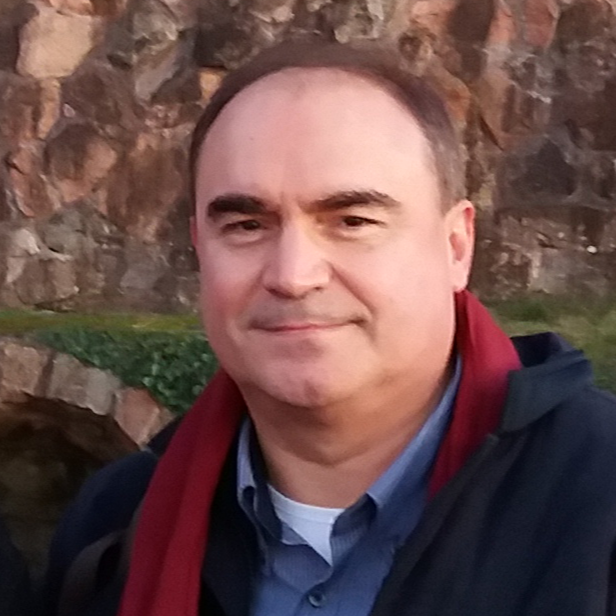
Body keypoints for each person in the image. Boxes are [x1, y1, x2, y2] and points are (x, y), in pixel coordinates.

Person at [45, 39, 616, 616]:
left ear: (455, 247)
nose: (293, 276)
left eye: (352, 221)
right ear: (199, 247)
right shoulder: (116, 531)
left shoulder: (597, 510)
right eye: (246, 225)